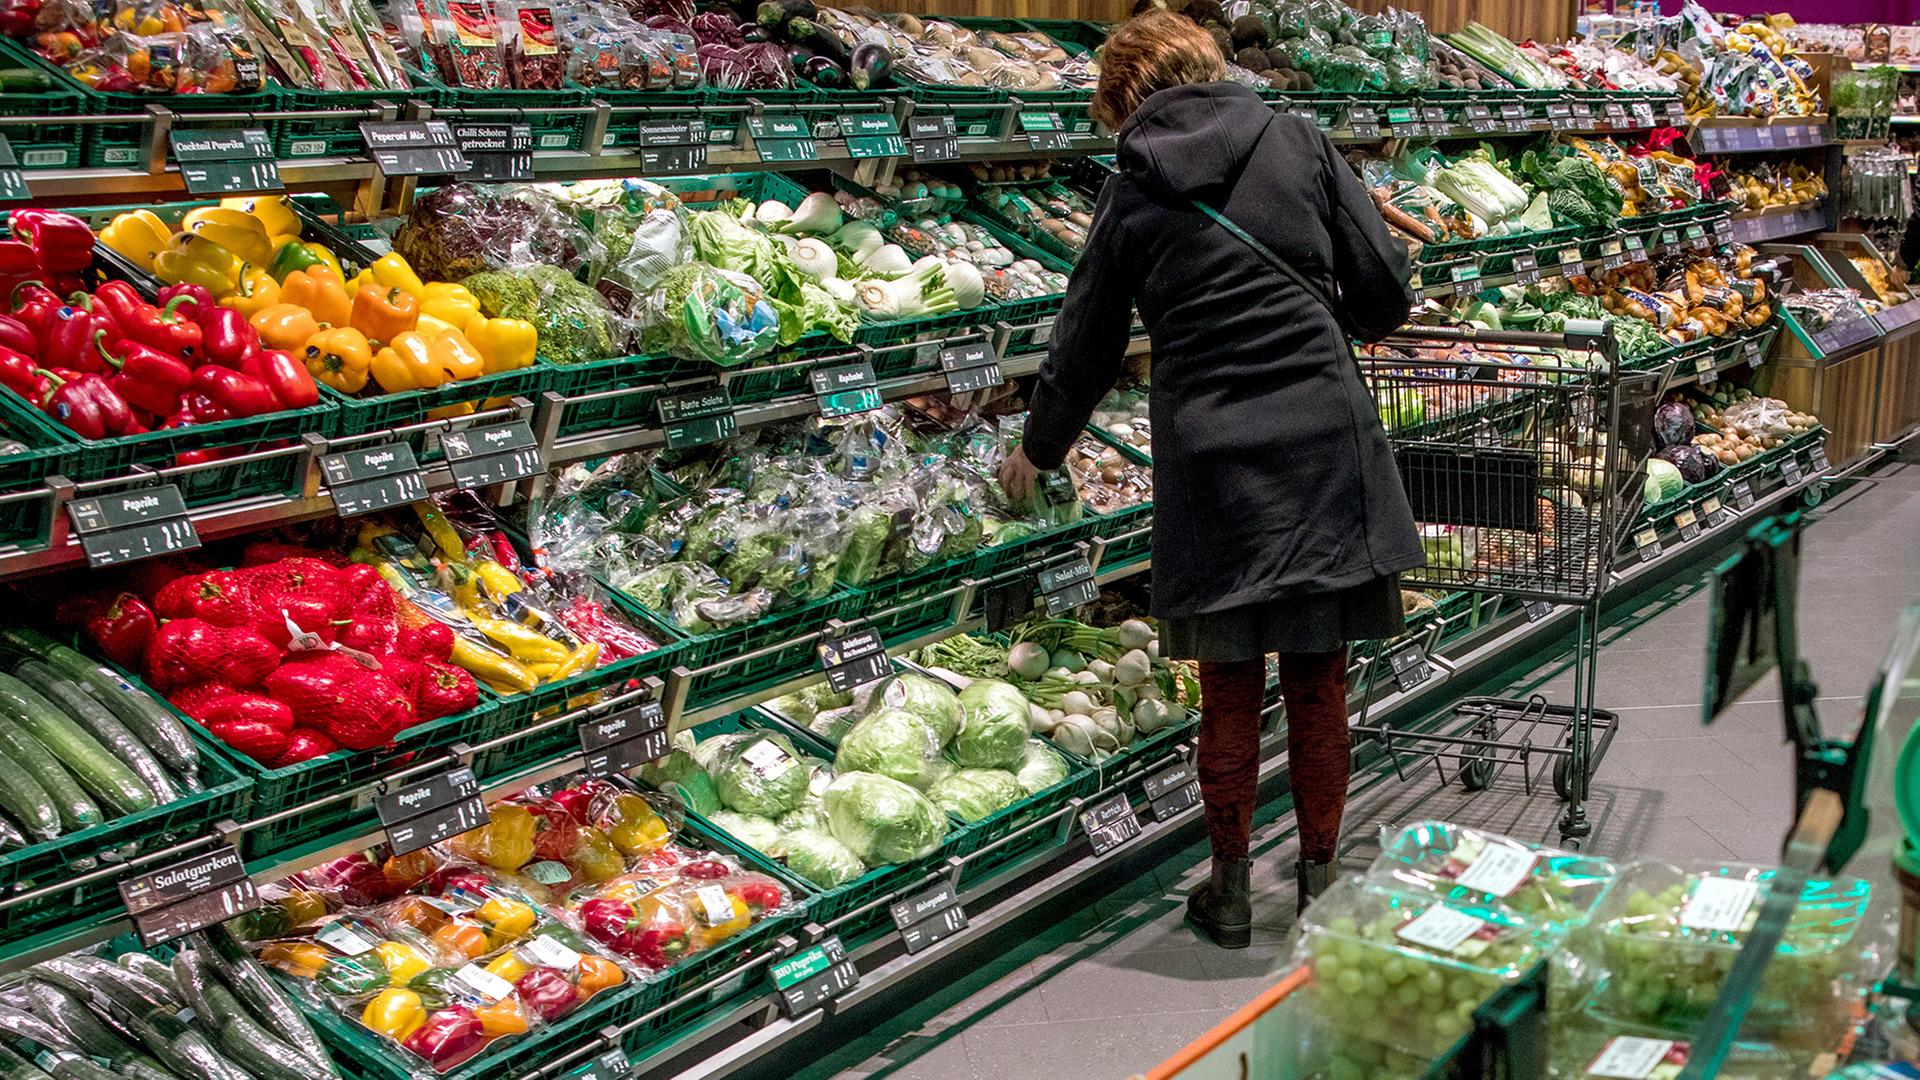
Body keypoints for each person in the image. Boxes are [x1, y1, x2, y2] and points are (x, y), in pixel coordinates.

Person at [996, 10, 1424, 949]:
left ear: (1124, 104)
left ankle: (1229, 890)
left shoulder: (1131, 186)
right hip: (1322, 441)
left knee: (1229, 688)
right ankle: (1318, 885)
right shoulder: (1299, 141)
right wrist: (1377, 253)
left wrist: (1041, 450)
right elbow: (1384, 301)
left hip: (1209, 459)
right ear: (1210, 64)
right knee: (1319, 681)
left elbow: (1087, 342)